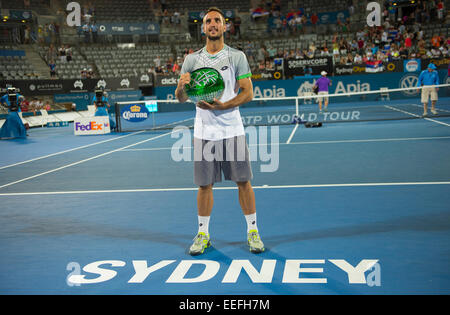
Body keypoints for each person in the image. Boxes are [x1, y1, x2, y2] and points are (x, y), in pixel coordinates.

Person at [175, 7, 264, 255]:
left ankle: (253, 231)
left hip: (232, 129)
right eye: (208, 21)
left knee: (243, 182)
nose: (213, 24)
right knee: (204, 185)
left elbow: (248, 92)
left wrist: (225, 105)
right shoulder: (191, 60)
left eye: (217, 20)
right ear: (202, 28)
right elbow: (182, 98)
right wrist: (181, 86)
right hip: (204, 133)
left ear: (225, 26)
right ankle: (203, 234)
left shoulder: (237, 56)